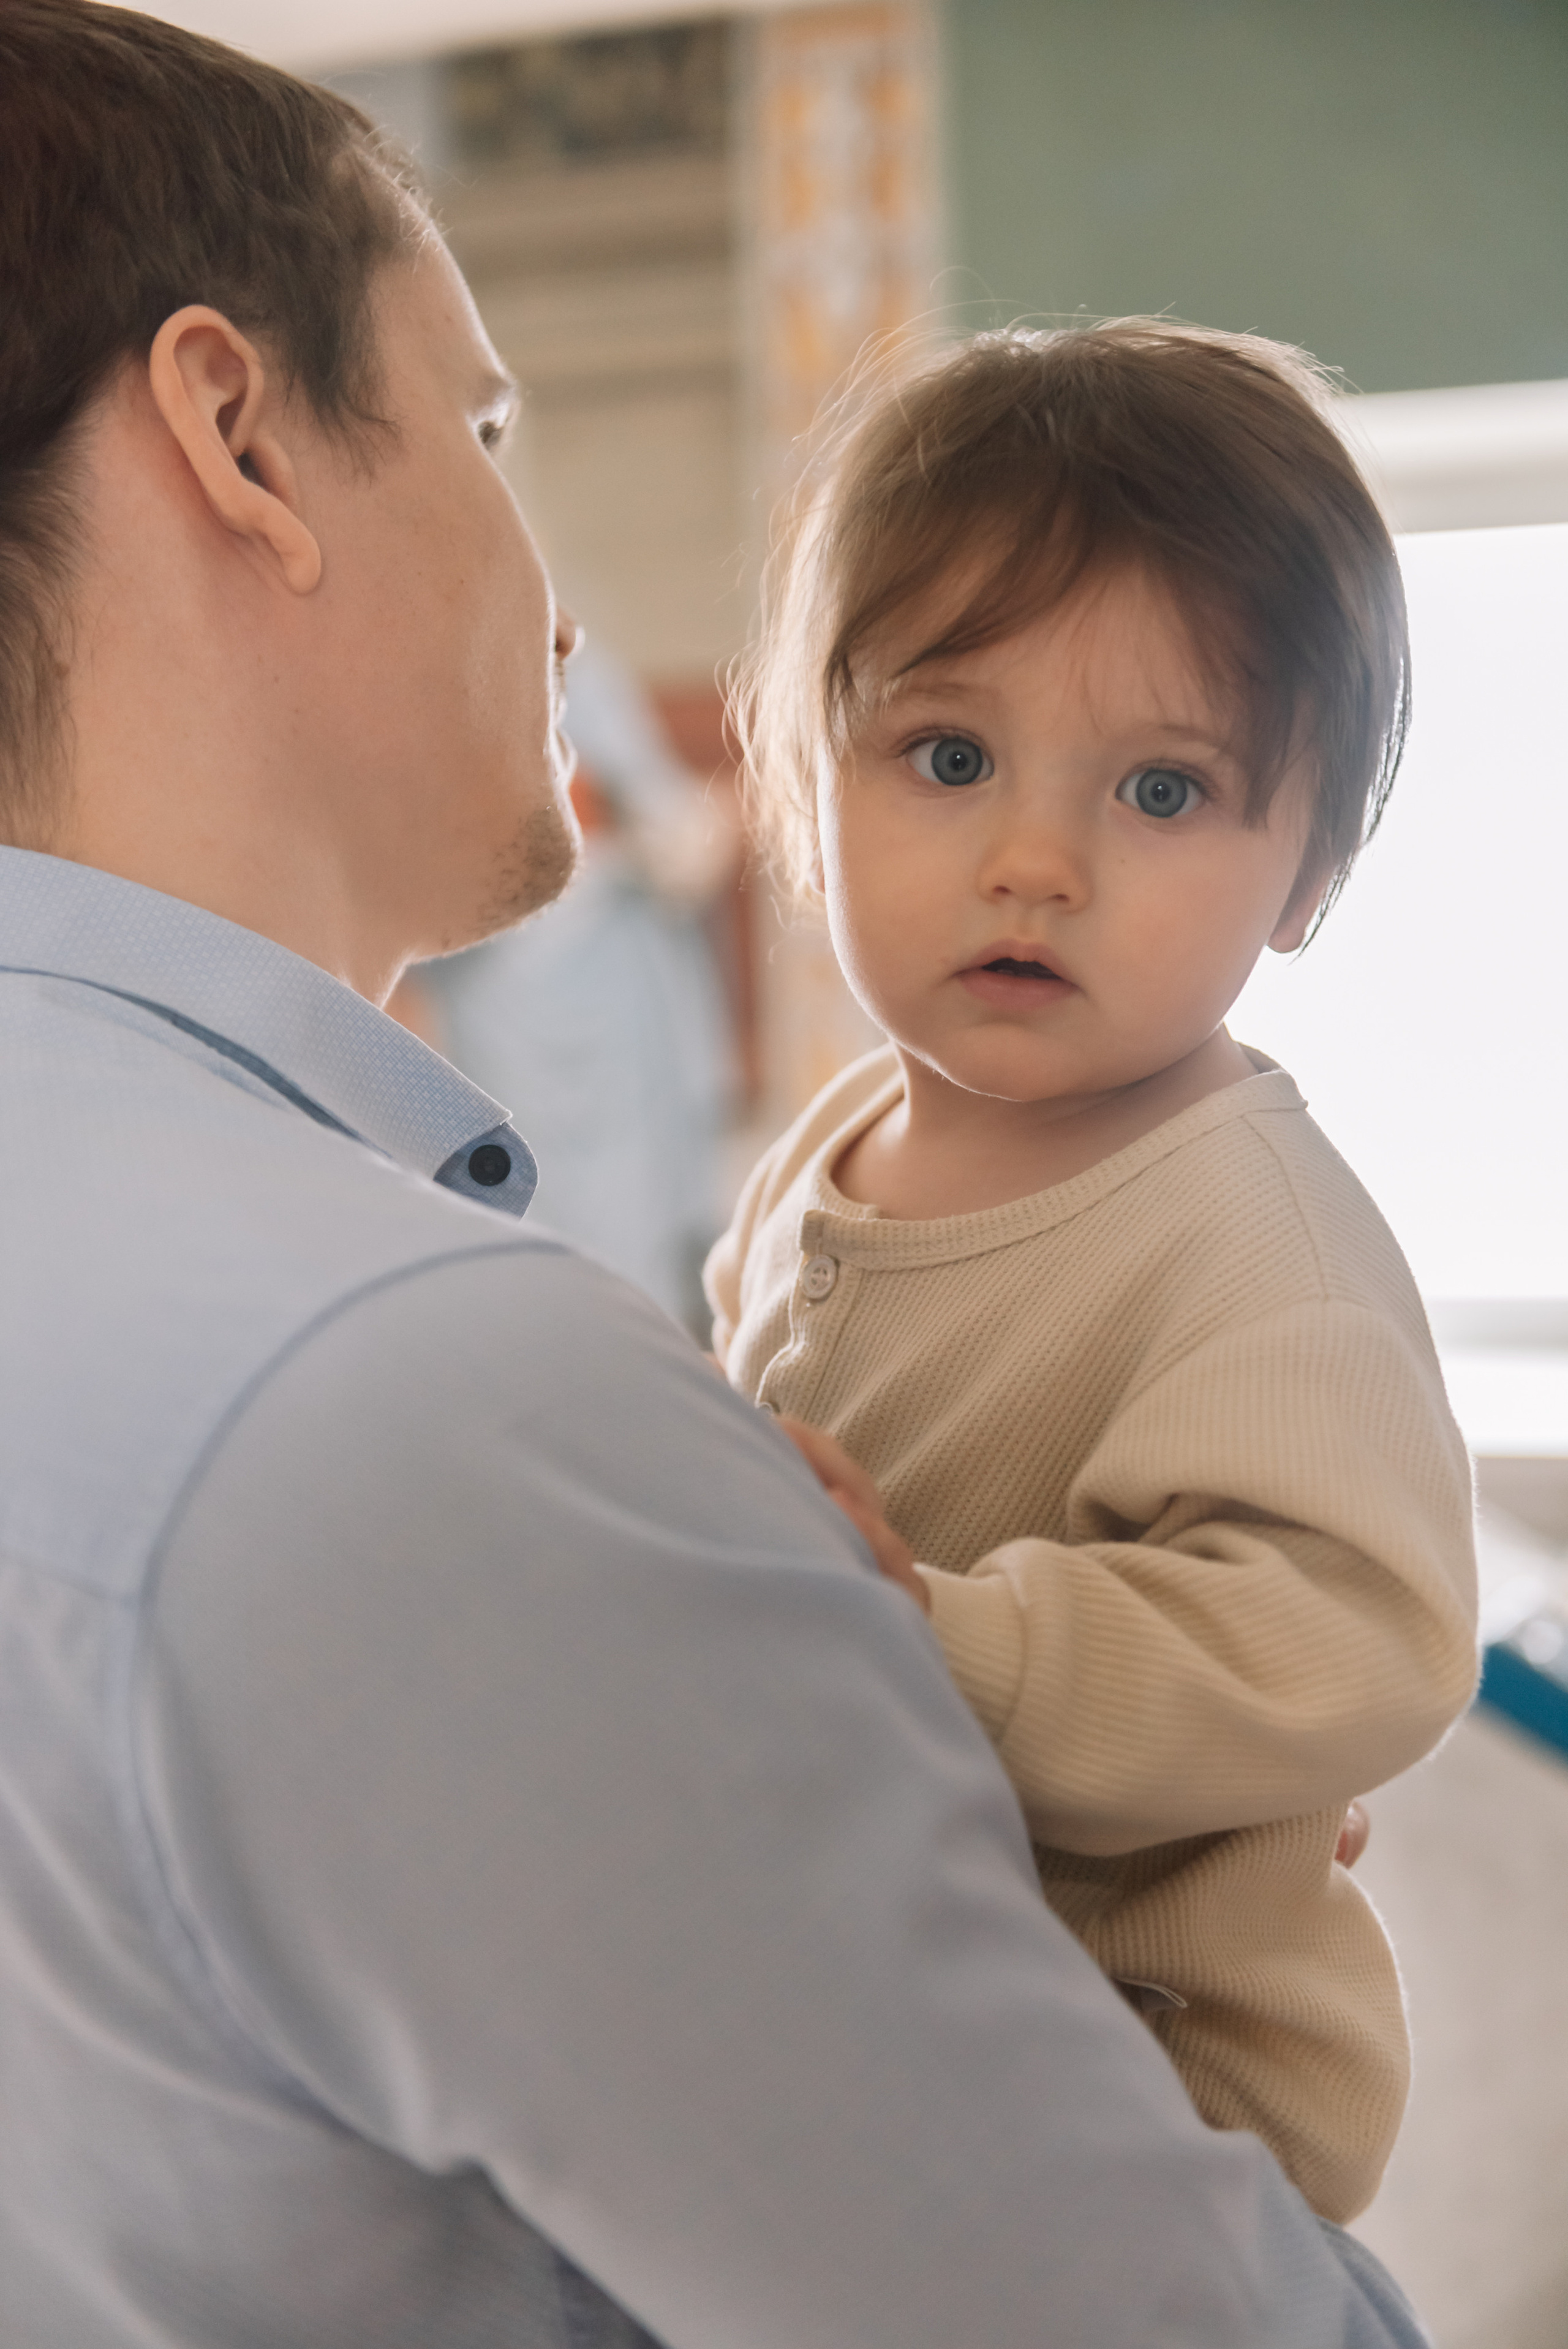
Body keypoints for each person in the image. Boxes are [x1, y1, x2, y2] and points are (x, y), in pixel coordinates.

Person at [0, 6, 1433, 2342]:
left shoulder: (1230, 1220)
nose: (559, 594)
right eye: (481, 423)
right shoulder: (430, 1392)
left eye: (1167, 789)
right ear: (237, 436)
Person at [707, 322, 1479, 2226]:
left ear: (1307, 872)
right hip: (882, 1996)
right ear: (811, 790)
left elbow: (1357, 1634)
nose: (1034, 860)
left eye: (1161, 792)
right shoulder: (821, 1151)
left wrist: (940, 1641)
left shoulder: (1251, 1243)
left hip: (1160, 2090)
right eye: (950, 756)